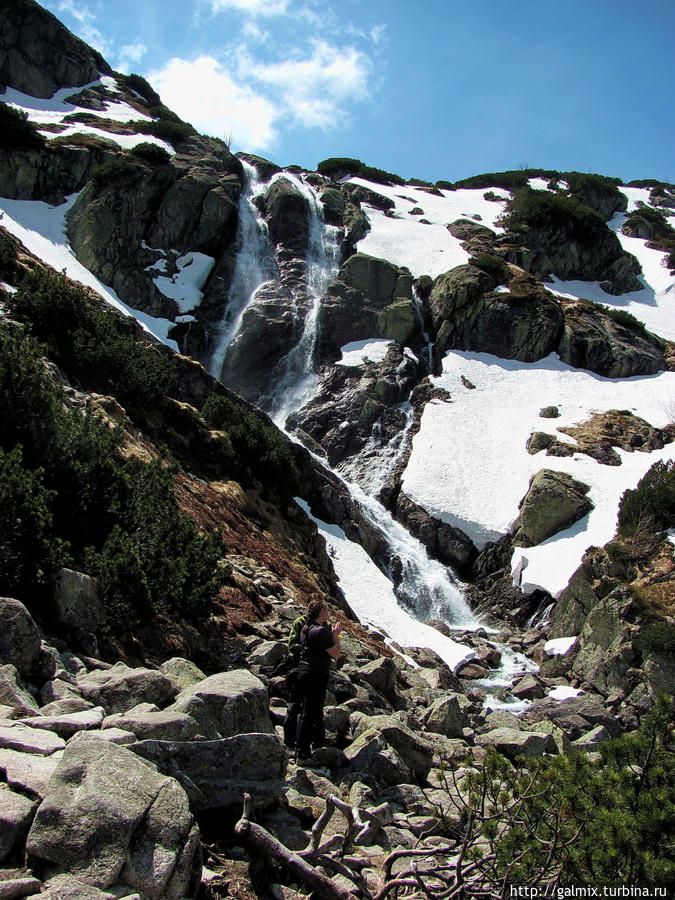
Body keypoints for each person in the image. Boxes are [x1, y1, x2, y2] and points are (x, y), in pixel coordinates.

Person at [295, 598, 341, 763]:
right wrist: (336, 636)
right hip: (316, 674)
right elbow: (335, 654)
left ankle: (311, 746)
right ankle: (302, 754)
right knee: (311, 712)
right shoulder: (321, 631)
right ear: (321, 612)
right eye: (327, 610)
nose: (328, 613)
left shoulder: (306, 629)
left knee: (309, 711)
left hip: (304, 672)